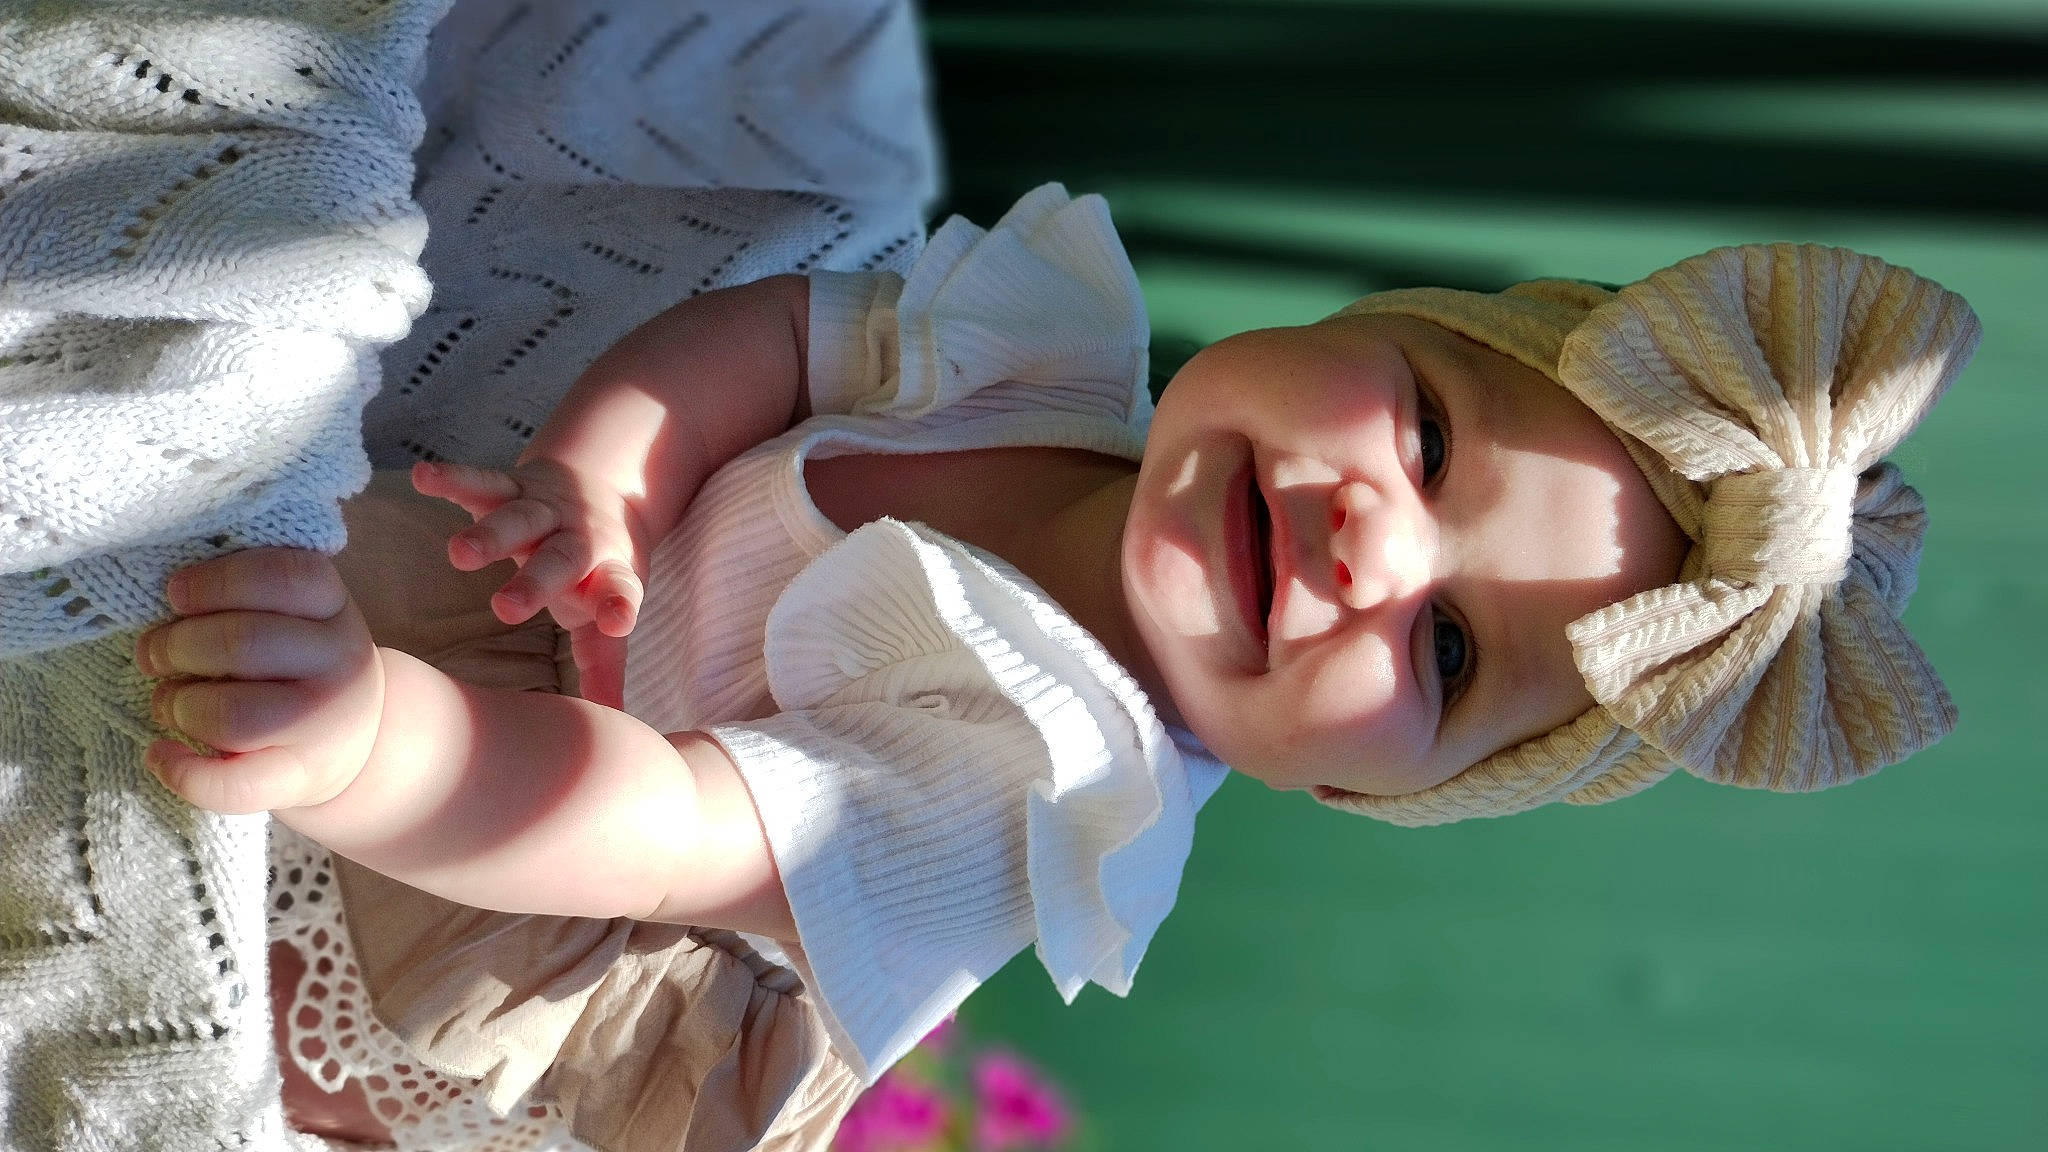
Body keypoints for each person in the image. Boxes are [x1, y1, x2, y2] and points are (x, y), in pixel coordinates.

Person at [131, 185, 1978, 1149]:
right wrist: (604, 480)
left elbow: (663, 825)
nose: (1372, 544)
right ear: (1368, 320)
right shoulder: (1047, 361)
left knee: (180, 957)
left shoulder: (1036, 791)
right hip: (546, 673)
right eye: (1427, 436)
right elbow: (775, 346)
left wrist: (376, 748)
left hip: (550, 885)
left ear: (1358, 790)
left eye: (1443, 644)